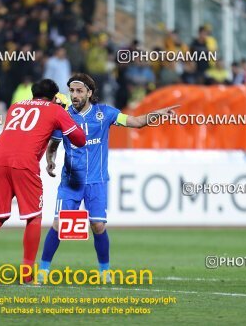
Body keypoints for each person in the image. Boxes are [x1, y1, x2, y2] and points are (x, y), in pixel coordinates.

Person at [39, 73, 179, 281]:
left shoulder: (105, 113)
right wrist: (50, 160)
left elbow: (137, 122)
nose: (74, 95)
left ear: (89, 92)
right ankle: (42, 271)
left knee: (98, 225)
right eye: (72, 91)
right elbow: (54, 144)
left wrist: (158, 113)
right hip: (71, 182)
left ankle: (104, 271)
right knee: (59, 224)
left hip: (96, 181)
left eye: (79, 91)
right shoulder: (63, 116)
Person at [0, 79, 86, 286]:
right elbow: (80, 139)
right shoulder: (56, 110)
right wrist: (65, 114)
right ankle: (27, 274)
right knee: (34, 218)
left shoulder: (15, 107)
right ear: (54, 96)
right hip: (24, 162)